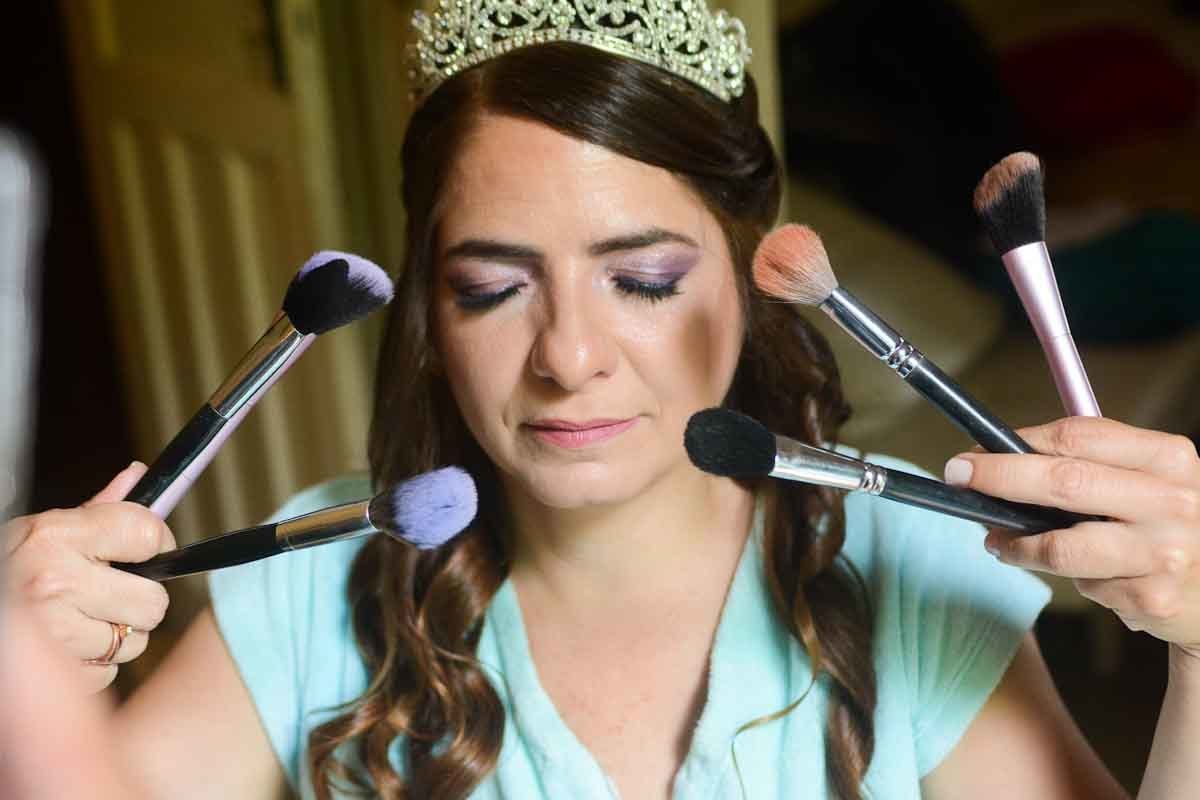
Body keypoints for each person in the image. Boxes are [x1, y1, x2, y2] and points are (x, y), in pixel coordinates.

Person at [5, 1, 1200, 798]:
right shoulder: (315, 578)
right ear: (429, 311)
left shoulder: (909, 571)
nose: (569, 355)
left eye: (641, 279)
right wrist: (18, 682)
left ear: (749, 280)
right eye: (491, 288)